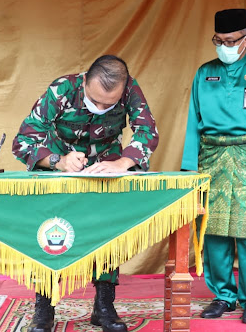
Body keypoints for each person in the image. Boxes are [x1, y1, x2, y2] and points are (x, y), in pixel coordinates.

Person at [13, 54, 159, 332]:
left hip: (106, 171)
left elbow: (147, 131)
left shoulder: (130, 89)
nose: (101, 108)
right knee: (50, 232)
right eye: (95, 101)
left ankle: (104, 306)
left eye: (109, 104)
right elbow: (23, 141)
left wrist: (122, 163)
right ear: (85, 83)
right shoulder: (63, 89)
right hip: (59, 170)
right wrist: (58, 161)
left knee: (106, 234)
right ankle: (44, 308)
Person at [181, 8, 246, 324]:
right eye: (219, 41)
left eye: (230, 41)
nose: (224, 46)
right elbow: (192, 124)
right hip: (211, 159)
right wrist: (189, 171)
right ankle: (223, 296)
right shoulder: (204, 73)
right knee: (212, 231)